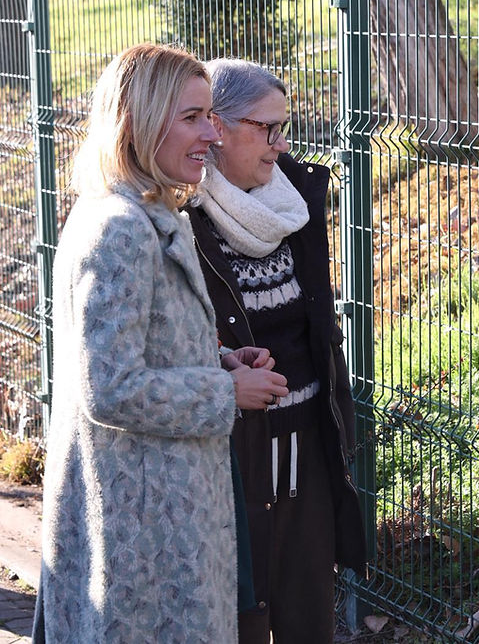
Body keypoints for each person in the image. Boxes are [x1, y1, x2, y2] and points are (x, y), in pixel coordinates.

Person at [33, 43, 290, 643]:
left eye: (213, 116)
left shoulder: (145, 211)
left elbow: (139, 344)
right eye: (194, 116)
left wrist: (216, 358)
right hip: (140, 529)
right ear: (140, 120)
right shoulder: (120, 229)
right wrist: (225, 390)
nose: (213, 133)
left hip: (155, 512)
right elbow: (111, 387)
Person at [183, 58, 366, 644]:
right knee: (238, 608)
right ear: (219, 126)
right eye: (267, 129)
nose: (279, 145)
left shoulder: (295, 201)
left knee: (308, 606)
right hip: (230, 449)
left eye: (284, 128)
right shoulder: (180, 220)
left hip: (310, 438)